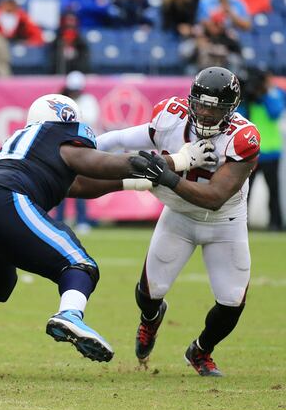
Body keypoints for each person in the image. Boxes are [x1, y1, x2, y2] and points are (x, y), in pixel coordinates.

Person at [0, 94, 214, 363]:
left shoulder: (23, 143)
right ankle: (70, 314)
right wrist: (177, 162)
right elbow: (106, 163)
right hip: (7, 200)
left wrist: (138, 183)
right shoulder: (58, 137)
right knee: (79, 264)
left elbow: (77, 185)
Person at [97, 66, 259, 376]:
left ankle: (200, 351)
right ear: (190, 101)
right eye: (201, 105)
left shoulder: (242, 137)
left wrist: (168, 177)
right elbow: (116, 139)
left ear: (231, 110)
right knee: (149, 293)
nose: (206, 114)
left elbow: (215, 197)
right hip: (179, 217)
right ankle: (151, 320)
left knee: (231, 302)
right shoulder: (170, 117)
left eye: (216, 109)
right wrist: (85, 148)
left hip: (225, 223)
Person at [239, 67, 285, 231]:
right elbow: (238, 116)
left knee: (274, 191)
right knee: (243, 192)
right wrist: (248, 97)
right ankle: (241, 223)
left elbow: (276, 112)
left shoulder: (275, 93)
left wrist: (264, 95)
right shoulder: (247, 96)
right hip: (250, 151)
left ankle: (276, 224)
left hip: (271, 151)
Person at [54, 71, 99, 234]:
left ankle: (82, 219)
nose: (74, 92)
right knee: (60, 184)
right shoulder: (61, 100)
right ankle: (59, 219)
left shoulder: (88, 101)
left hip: (83, 147)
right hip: (64, 146)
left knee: (80, 184)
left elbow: (89, 120)